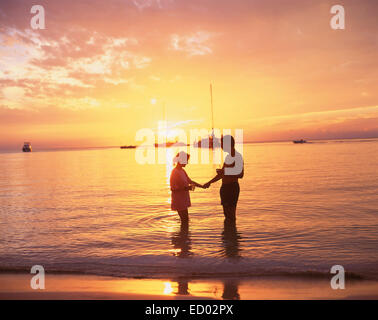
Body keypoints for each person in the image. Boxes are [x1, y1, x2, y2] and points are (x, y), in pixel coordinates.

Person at [204, 135, 244, 222]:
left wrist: (225, 172)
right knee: (226, 214)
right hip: (224, 188)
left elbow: (241, 174)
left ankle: (232, 234)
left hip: (232, 188)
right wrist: (209, 182)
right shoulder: (228, 157)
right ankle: (228, 234)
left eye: (222, 144)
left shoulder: (238, 157)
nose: (221, 147)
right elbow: (221, 174)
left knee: (231, 214)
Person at [170, 151, 204, 225]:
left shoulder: (182, 171)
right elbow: (173, 188)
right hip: (179, 200)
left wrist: (202, 186)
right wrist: (186, 188)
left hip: (184, 199)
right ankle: (183, 236)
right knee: (185, 221)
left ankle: (184, 236)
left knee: (185, 221)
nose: (187, 162)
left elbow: (190, 181)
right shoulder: (174, 172)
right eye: (186, 160)